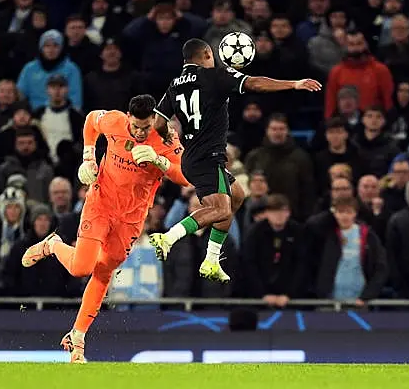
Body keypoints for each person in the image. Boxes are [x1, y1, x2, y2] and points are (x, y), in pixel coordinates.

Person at [20, 95, 188, 363]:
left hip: (131, 218)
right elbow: (90, 121)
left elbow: (186, 176)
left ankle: (78, 336)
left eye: (145, 127)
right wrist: (88, 157)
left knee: (104, 270)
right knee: (81, 268)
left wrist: (161, 162)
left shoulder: (166, 138)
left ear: (154, 119)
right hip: (101, 203)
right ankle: (52, 244)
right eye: (135, 126)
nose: (139, 132)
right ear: (129, 118)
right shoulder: (115, 121)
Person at [150, 38, 321, 282]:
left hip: (195, 157)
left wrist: (168, 137)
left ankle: (211, 260)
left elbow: (158, 123)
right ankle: (168, 237)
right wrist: (294, 84)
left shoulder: (175, 84)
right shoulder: (216, 76)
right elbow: (256, 84)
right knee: (220, 208)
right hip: (207, 159)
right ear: (208, 54)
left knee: (237, 196)